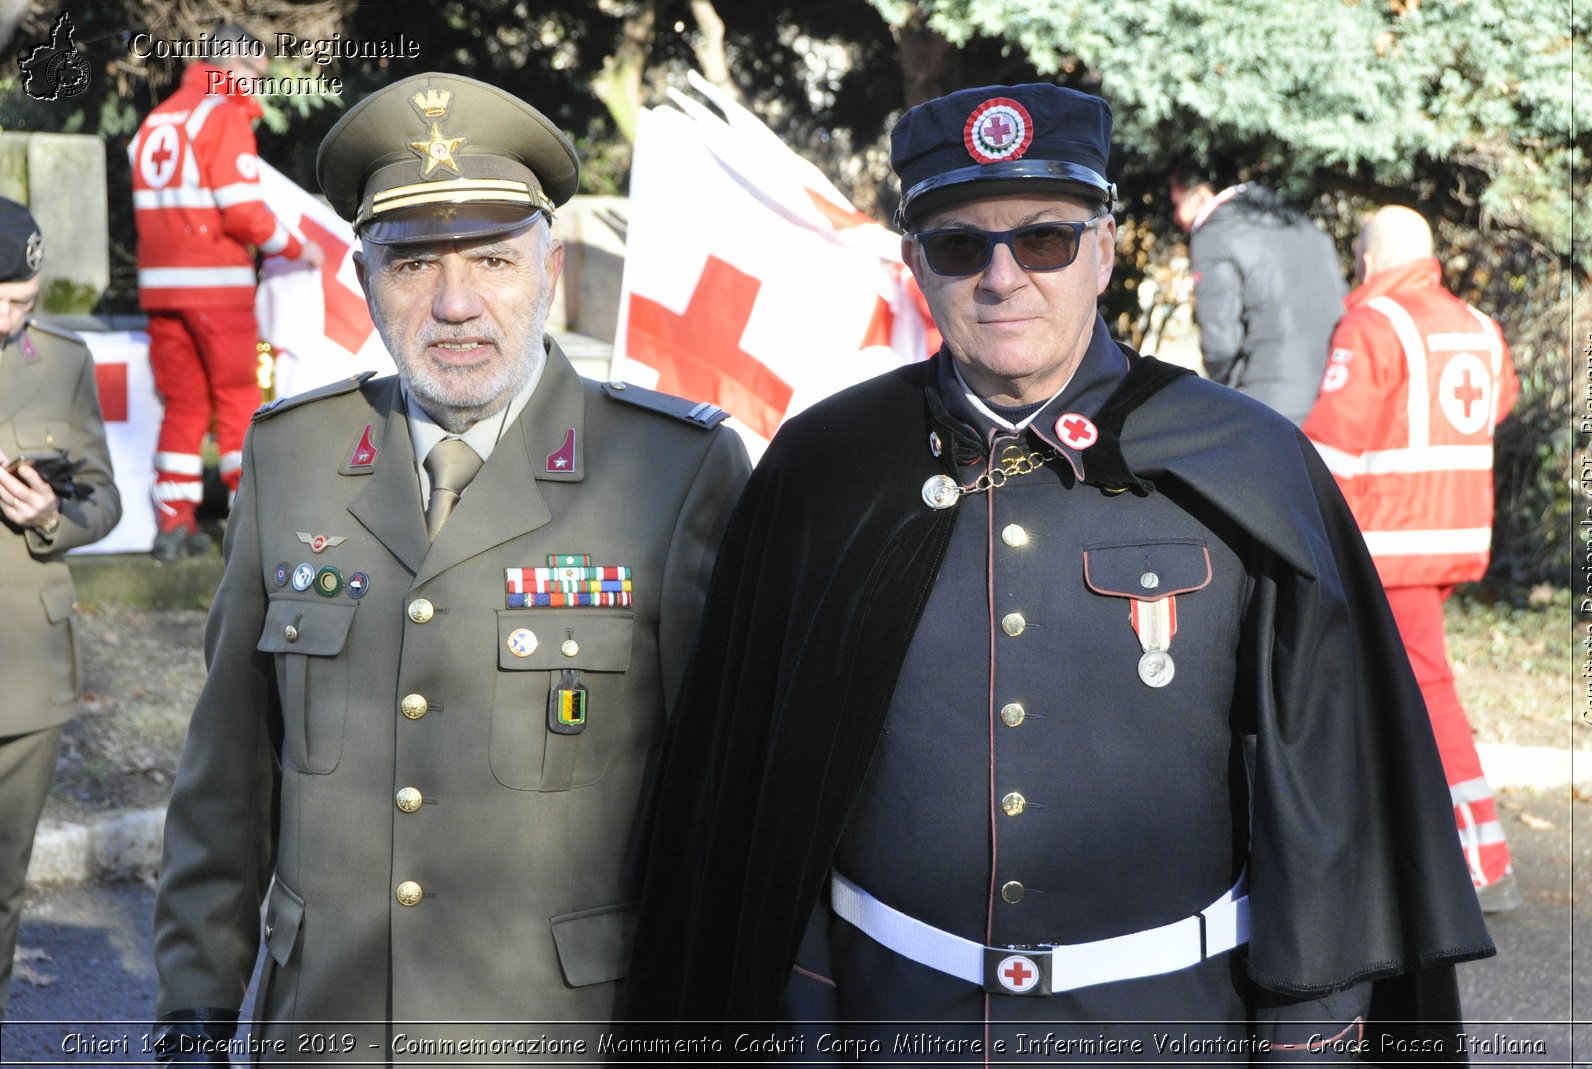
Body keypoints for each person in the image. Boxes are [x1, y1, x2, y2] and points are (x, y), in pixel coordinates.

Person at [627, 84, 1494, 1060]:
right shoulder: (827, 468)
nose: (1001, 277)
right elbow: (756, 789)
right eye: (958, 245)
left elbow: (1330, 795)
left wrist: (1307, 1041)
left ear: (1105, 250)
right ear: (915, 265)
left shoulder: (1244, 462)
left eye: (1043, 239)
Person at [150, 72, 750, 1062]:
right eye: (413, 263)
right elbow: (225, 782)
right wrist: (193, 1010)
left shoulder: (672, 472)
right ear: (361, 278)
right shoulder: (292, 457)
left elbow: (720, 803)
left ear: (547, 270)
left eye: (493, 260)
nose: (456, 303)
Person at [1303, 205, 1522, 914]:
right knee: (1393, 692)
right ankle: (1409, 852)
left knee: (1420, 695)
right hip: (1449, 537)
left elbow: (1329, 447)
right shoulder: (1479, 326)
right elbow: (1499, 403)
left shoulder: (1373, 323)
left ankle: (1479, 861)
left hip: (1387, 545)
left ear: (1366, 261)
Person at [130, 22, 322, 561]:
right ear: (233, 65)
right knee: (238, 401)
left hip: (161, 289)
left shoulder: (158, 118)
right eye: (257, 73)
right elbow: (242, 210)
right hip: (215, 286)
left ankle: (173, 527)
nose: (259, 85)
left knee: (184, 406)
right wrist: (295, 246)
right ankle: (246, 531)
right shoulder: (222, 112)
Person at [0, 198, 121, 1019]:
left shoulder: (61, 361)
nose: (15, 317)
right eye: (1, 298)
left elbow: (106, 500)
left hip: (25, 663)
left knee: (4, 870)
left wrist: (52, 517)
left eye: (27, 300)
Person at [1169, 169, 1346, 423]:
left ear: (1199, 197)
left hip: (1265, 402)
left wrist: (1225, 385)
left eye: (1177, 204)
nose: (1176, 217)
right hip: (1328, 394)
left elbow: (1220, 341)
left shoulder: (1214, 234)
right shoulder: (1299, 222)